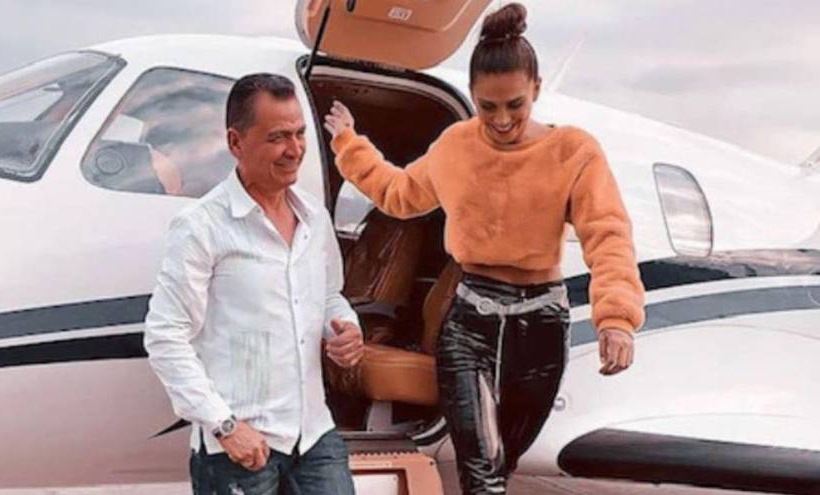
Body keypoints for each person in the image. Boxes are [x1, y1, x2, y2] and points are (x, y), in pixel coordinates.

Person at [323, 4, 645, 494]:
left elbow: (608, 234)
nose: (501, 120)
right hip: (468, 322)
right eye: (487, 107)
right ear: (473, 96)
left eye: (515, 105)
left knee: (501, 465)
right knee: (482, 472)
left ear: (536, 89)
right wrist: (349, 143)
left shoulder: (573, 151)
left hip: (540, 326)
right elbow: (398, 193)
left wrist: (616, 318)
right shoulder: (456, 145)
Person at [145, 73, 362, 495]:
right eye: (278, 137)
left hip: (313, 436)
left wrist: (347, 329)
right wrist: (224, 426)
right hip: (240, 446)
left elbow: (330, 297)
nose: (294, 150)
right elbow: (165, 336)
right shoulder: (201, 226)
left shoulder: (315, 219)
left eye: (299, 134)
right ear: (235, 142)